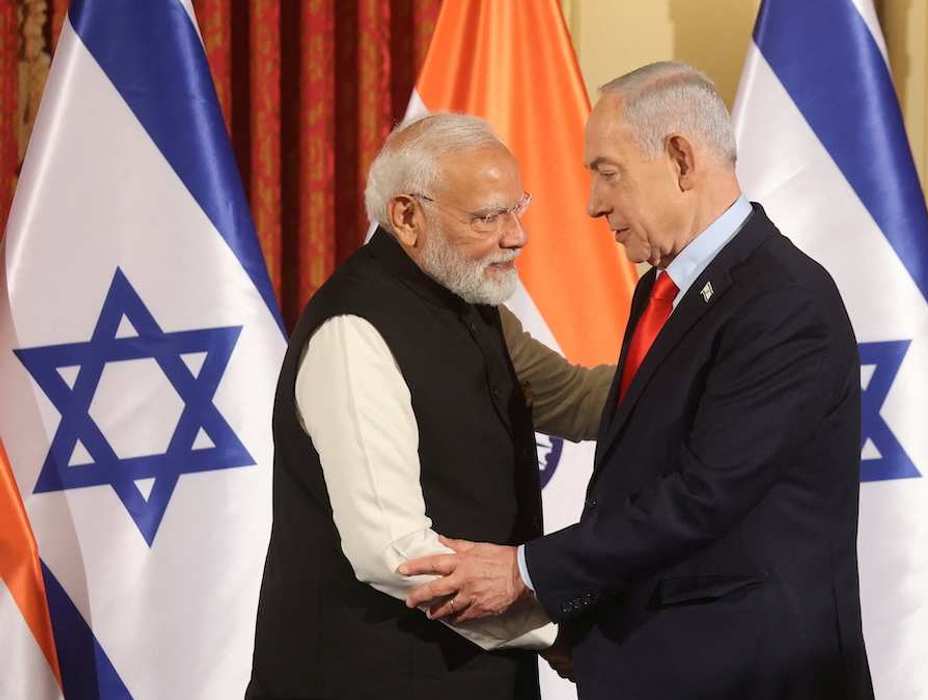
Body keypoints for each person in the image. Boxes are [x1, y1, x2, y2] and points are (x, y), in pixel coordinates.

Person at [402, 62, 874, 699]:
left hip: (752, 675)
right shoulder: (662, 287)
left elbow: (701, 496)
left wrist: (525, 573)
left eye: (607, 172)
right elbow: (640, 470)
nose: (594, 204)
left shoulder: (784, 302)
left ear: (680, 158)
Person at [246, 113, 610, 699]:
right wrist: (550, 629)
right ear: (407, 217)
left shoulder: (471, 302)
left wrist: (712, 371)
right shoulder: (353, 330)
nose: (516, 235)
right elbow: (396, 554)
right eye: (487, 217)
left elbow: (575, 398)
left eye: (519, 208)